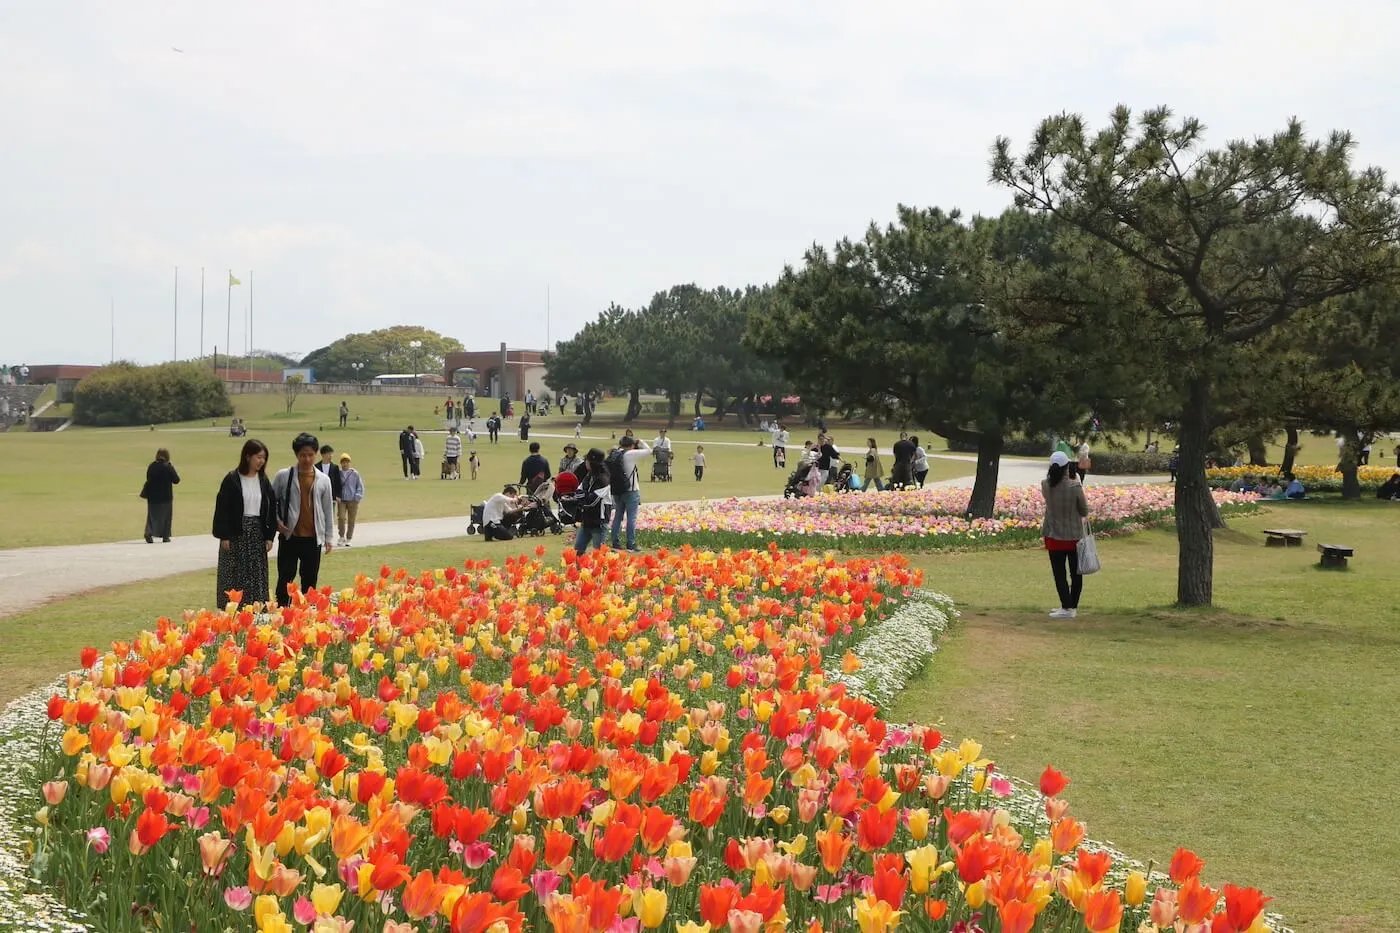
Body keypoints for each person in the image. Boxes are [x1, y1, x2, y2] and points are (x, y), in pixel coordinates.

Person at [212, 439, 278, 609]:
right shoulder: (232, 479)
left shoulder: (263, 480)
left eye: (264, 458)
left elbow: (271, 508)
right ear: (248, 457)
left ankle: (255, 608)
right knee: (234, 573)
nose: (261, 461)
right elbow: (222, 508)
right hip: (235, 532)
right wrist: (224, 535)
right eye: (258, 457)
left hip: (256, 532)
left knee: (255, 573)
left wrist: (270, 536)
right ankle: (233, 610)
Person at [272, 433, 335, 607]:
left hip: (313, 538)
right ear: (296, 455)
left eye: (310, 455)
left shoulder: (324, 480)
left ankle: (306, 615)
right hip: (289, 536)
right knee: (286, 577)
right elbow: (270, 502)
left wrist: (329, 538)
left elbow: (328, 510)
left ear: (316, 454)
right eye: (302, 455)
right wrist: (277, 522)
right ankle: (282, 611)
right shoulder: (284, 476)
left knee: (310, 579)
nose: (306, 459)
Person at [1041, 451, 1090, 620]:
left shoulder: (1045, 485)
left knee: (1059, 574)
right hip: (1074, 536)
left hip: (1054, 535)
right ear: (1067, 467)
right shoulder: (1074, 486)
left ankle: (1065, 605)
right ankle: (1072, 607)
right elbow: (1084, 510)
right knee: (1076, 573)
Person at [607, 435, 650, 551]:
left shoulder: (614, 454)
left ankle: (615, 541)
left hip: (617, 490)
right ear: (631, 445)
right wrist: (641, 441)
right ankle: (631, 543)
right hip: (631, 490)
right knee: (631, 518)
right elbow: (649, 451)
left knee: (617, 516)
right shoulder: (630, 454)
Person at [567, 449, 612, 552]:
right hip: (586, 520)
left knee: (599, 554)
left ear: (593, 462)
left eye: (587, 460)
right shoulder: (589, 475)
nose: (585, 462)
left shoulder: (603, 479)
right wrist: (583, 496)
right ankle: (579, 568)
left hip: (598, 522)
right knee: (577, 552)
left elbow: (592, 501)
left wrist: (582, 497)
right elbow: (578, 491)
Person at [141, 447, 180, 543]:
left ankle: (148, 532)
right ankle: (165, 536)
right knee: (166, 517)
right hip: (166, 497)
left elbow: (148, 477)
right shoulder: (168, 467)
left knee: (151, 516)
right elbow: (176, 480)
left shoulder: (152, 466)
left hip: (152, 497)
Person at [336, 453, 364, 546]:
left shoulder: (355, 474)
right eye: (343, 462)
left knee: (351, 520)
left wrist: (357, 497)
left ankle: (349, 538)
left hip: (352, 500)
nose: (345, 464)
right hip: (342, 500)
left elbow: (359, 486)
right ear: (341, 463)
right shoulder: (338, 474)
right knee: (341, 517)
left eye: (347, 462)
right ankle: (341, 537)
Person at [316, 445, 343, 510]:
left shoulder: (335, 467)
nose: (331, 456)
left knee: (330, 516)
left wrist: (338, 495)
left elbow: (338, 482)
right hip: (319, 496)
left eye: (331, 454)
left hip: (331, 496)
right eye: (328, 454)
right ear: (323, 455)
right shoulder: (316, 467)